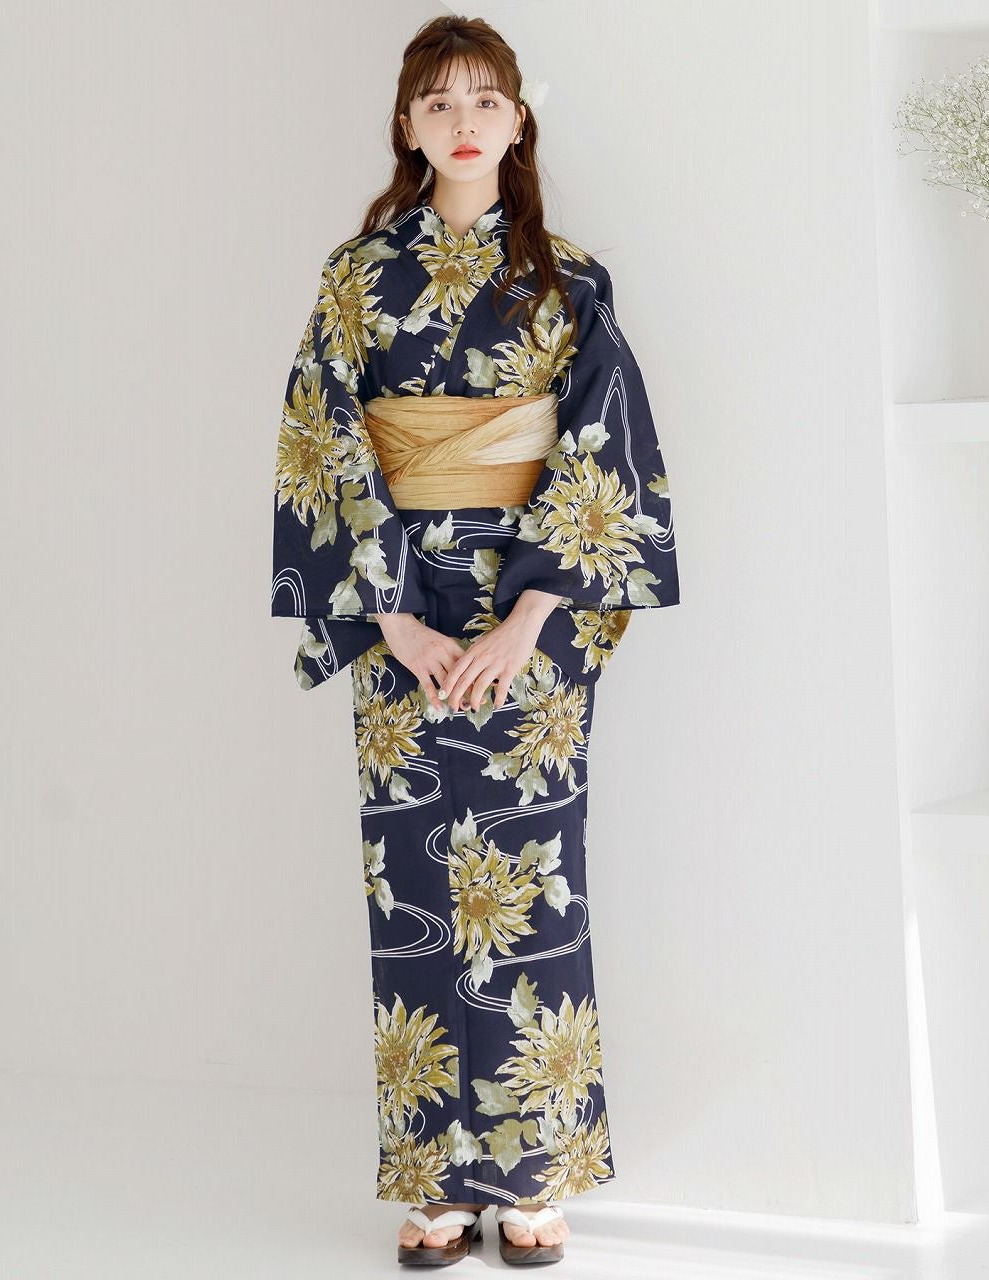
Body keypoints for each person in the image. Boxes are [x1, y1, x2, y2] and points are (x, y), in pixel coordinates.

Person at [271, 14, 680, 1267]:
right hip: (400, 613)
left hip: (529, 622)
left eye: (484, 99)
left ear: (517, 119)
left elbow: (603, 443)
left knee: (534, 889)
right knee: (413, 886)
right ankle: (439, 1183)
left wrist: (532, 615)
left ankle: (537, 1173)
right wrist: (390, 613)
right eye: (438, 101)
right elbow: (324, 438)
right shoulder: (356, 276)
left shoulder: (568, 279)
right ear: (406, 124)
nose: (463, 122)